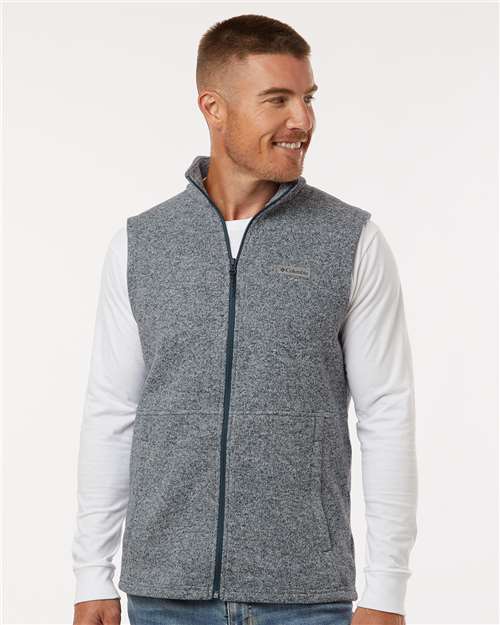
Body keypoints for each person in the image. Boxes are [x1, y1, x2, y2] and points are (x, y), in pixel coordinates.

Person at [72, 14, 417, 625]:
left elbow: (386, 412)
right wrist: (91, 575)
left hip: (307, 597)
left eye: (308, 98)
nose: (302, 120)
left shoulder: (351, 240)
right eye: (277, 100)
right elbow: (112, 411)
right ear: (214, 107)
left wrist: (386, 590)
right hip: (164, 595)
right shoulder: (141, 244)